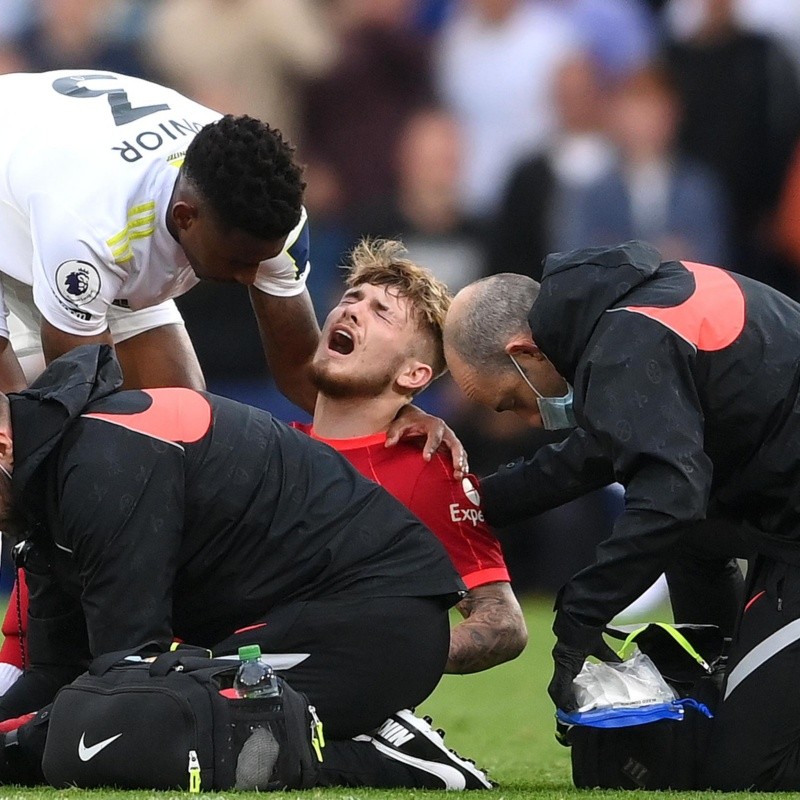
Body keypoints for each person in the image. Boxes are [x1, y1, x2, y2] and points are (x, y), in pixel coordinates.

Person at [0, 344, 491, 790]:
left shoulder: (101, 463)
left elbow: (126, 673)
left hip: (369, 626)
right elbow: (58, 673)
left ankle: (389, 755)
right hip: (321, 619)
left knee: (140, 732)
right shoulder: (47, 482)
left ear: (2, 444)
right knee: (93, 731)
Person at [443, 240, 800, 789]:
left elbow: (670, 497)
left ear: (525, 351)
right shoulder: (621, 314)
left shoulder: (625, 344)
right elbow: (598, 454)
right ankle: (728, 678)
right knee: (682, 532)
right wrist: (474, 502)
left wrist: (580, 617)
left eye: (510, 401)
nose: (527, 419)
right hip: (783, 520)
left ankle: (744, 695)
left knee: (748, 770)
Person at [0, 68, 315, 406]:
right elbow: (85, 400)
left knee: (184, 425)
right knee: (16, 439)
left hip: (56, 185)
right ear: (185, 216)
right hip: (39, 189)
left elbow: (300, 368)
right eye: (238, 261)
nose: (249, 276)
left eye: (261, 260)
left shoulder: (276, 212)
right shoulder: (95, 225)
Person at [298, 238, 527, 673]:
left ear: (414, 373)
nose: (352, 310)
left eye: (380, 312)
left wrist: (382, 662)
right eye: (351, 298)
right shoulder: (273, 448)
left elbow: (502, 623)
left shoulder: (423, 468)